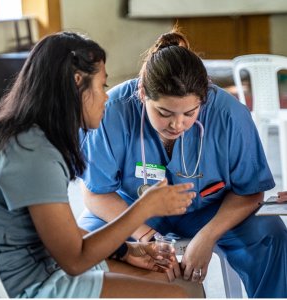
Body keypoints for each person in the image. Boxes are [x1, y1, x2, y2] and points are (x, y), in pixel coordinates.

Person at [0, 31, 205, 298]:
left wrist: (126, 250)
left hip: (44, 267)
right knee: (179, 295)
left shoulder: (30, 138)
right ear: (78, 83)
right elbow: (75, 261)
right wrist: (145, 208)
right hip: (30, 286)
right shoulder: (34, 154)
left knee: (178, 282)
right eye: (102, 86)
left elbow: (59, 234)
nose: (105, 97)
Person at [77, 27, 287, 298]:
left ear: (204, 99)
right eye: (164, 112)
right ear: (142, 93)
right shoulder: (113, 110)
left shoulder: (229, 115)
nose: (177, 124)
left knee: (271, 235)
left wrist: (207, 237)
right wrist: (146, 236)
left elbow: (250, 192)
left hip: (210, 210)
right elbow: (95, 192)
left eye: (190, 113)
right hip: (130, 209)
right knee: (85, 249)